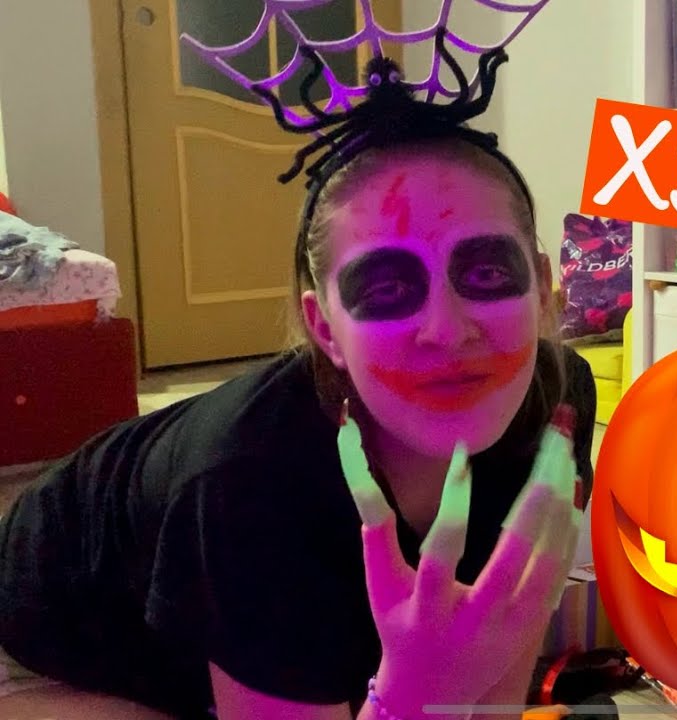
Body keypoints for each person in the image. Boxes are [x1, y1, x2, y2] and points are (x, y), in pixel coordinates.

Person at [0, 42, 597, 720]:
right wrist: (413, 694)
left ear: (541, 288)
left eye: (486, 272)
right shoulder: (248, 482)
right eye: (386, 288)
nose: (446, 329)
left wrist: (445, 685)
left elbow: (499, 660)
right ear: (324, 328)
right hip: (47, 659)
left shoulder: (558, 401)